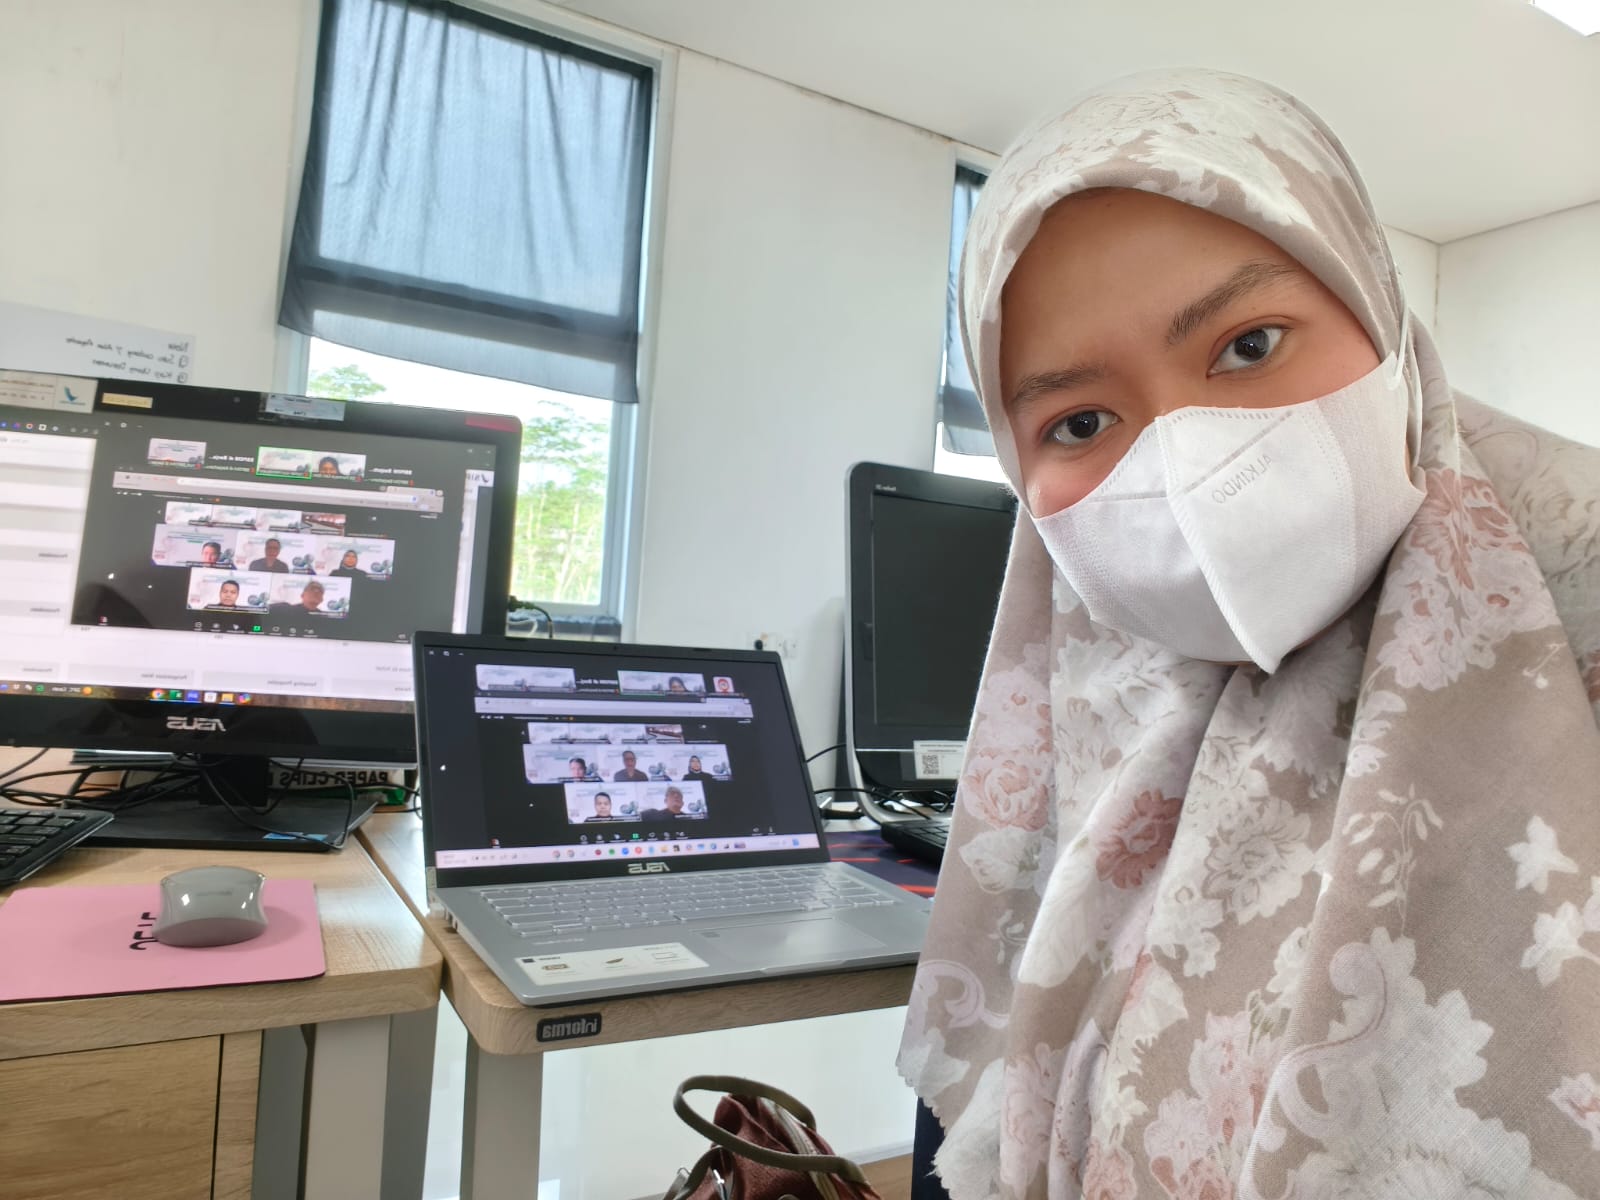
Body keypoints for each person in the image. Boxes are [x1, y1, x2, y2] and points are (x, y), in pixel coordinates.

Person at [898, 70, 1600, 1200]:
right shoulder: (1085, 706)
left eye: (1249, 344)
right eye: (1080, 421)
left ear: (1373, 310)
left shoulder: (1577, 599)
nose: (1189, 465)